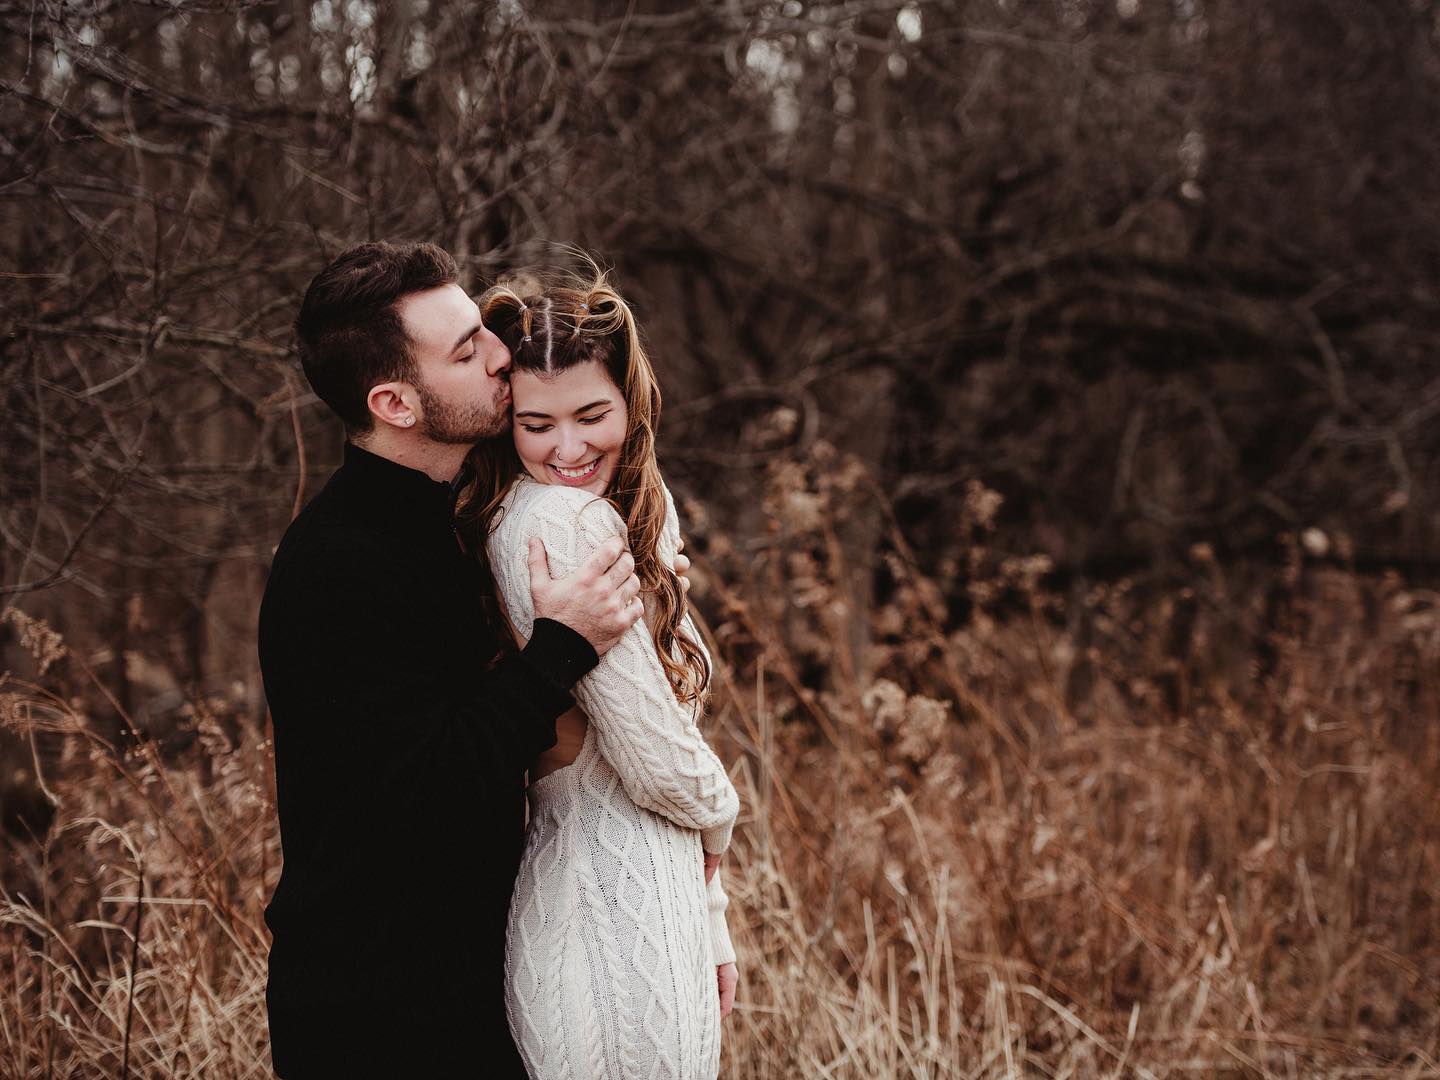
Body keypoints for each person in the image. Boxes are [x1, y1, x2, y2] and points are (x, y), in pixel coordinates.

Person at [259, 241, 659, 1077]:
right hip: (374, 1020)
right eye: (467, 349)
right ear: (396, 402)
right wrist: (563, 648)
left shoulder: (451, 520)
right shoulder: (336, 568)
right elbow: (426, 784)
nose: (500, 355)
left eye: (484, 330)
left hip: (465, 991)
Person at [458, 260, 741, 1080]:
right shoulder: (565, 521)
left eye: (592, 415)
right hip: (606, 926)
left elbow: (667, 722)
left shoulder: (627, 513)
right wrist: (722, 812)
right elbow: (659, 765)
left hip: (647, 907)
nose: (569, 448)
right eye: (537, 424)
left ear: (632, 403)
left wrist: (710, 918)